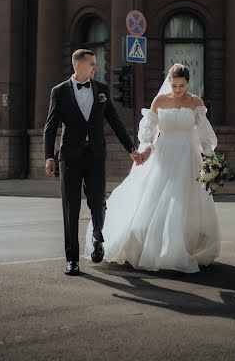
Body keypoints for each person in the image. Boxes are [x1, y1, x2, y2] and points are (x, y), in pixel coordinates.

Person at [84, 63, 220, 273]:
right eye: (174, 85)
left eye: (181, 86)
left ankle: (178, 248)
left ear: (188, 84)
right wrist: (145, 152)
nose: (176, 90)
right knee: (152, 200)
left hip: (188, 157)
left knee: (183, 203)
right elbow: (149, 132)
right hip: (164, 155)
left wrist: (210, 159)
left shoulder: (196, 103)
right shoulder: (160, 100)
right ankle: (152, 247)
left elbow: (203, 134)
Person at [44, 49, 142, 276]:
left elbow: (115, 121)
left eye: (95, 64)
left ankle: (98, 236)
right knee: (71, 208)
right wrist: (49, 155)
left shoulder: (102, 91)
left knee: (98, 203)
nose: (95, 68)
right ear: (77, 66)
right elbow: (50, 127)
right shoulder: (59, 92)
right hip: (69, 157)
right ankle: (72, 260)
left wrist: (130, 149)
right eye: (91, 64)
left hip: (95, 157)